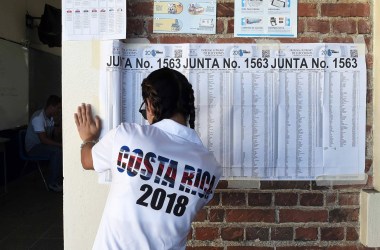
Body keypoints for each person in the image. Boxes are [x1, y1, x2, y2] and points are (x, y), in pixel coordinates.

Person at [74, 68, 222, 249]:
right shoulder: (210, 167)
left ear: (150, 105)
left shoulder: (127, 136)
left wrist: (88, 139)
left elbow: (87, 160)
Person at [25, 95, 63, 192]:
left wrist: (58, 123)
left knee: (59, 150)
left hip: (43, 146)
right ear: (51, 107)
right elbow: (44, 140)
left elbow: (56, 135)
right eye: (58, 108)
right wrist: (60, 145)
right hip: (33, 148)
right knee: (57, 151)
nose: (59, 110)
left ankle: (58, 179)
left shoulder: (50, 118)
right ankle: (52, 184)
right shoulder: (38, 118)